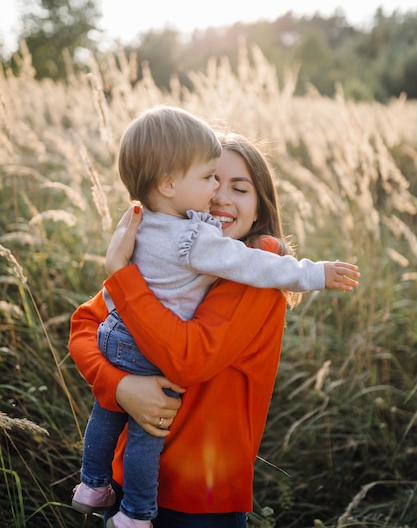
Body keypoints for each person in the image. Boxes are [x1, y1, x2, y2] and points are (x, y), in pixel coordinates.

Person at [70, 127, 360, 528]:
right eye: (211, 180)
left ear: (260, 208)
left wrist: (122, 272)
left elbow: (188, 359)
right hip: (127, 483)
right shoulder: (176, 251)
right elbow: (87, 324)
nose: (220, 197)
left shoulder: (258, 269)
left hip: (199, 497)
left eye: (239, 188)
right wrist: (118, 386)